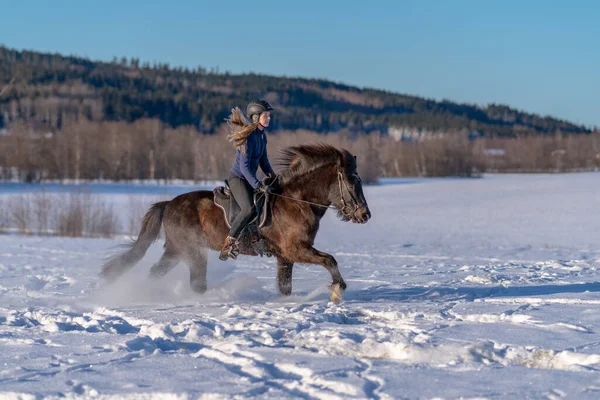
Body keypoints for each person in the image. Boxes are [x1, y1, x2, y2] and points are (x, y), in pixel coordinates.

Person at [219, 100, 276, 261]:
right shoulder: (248, 137)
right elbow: (244, 167)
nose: (269, 118)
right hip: (238, 178)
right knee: (249, 209)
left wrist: (273, 177)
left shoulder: (262, 137)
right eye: (266, 115)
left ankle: (254, 239)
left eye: (269, 115)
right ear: (256, 117)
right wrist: (257, 185)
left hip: (249, 178)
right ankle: (228, 244)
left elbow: (264, 161)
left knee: (261, 205)